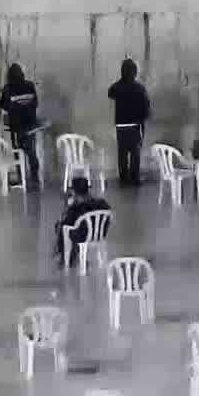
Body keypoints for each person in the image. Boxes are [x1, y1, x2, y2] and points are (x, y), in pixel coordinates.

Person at [107, 59, 151, 187]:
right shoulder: (139, 88)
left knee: (122, 153)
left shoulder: (117, 87)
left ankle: (123, 178)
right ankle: (134, 178)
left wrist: (121, 81)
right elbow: (146, 107)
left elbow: (110, 93)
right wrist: (143, 120)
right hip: (134, 125)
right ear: (135, 72)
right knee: (135, 154)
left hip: (120, 126)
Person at [0, 63, 42, 192]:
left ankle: (21, 176)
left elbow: (3, 106)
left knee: (18, 152)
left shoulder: (7, 89)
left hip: (16, 127)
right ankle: (34, 178)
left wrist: (15, 108)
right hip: (30, 125)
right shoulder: (29, 85)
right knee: (31, 153)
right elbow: (36, 103)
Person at [52, 177, 111, 263]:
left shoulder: (77, 207)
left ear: (74, 191)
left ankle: (65, 255)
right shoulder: (101, 202)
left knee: (62, 227)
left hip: (82, 235)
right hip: (100, 234)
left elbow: (67, 222)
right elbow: (109, 216)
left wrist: (68, 207)